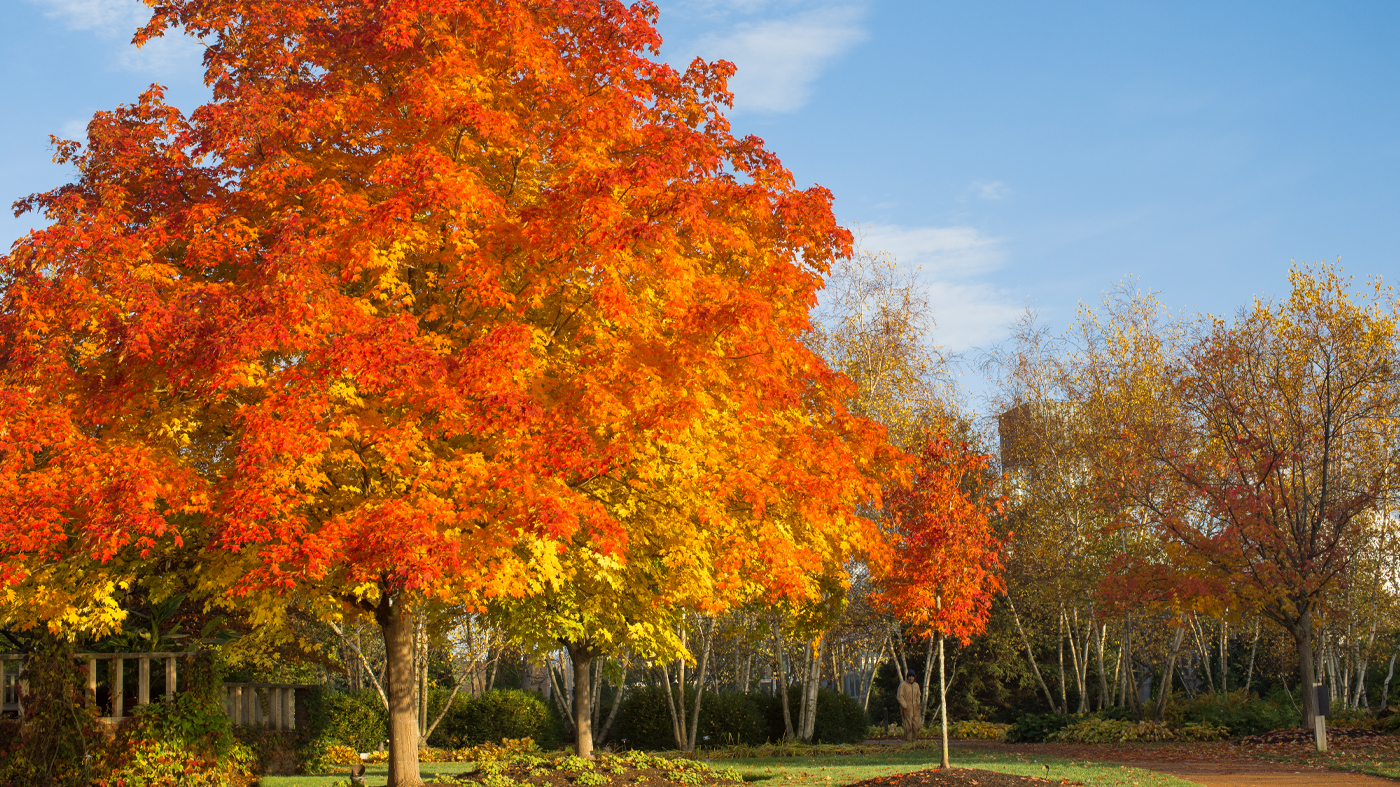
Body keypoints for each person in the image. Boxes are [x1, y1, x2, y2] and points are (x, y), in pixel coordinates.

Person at [897, 672, 922, 742]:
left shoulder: (916, 685)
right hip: (907, 708)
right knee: (908, 726)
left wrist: (918, 703)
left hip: (916, 708)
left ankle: (915, 741)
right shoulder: (903, 685)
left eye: (912, 676)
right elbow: (899, 696)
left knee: (917, 725)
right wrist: (904, 705)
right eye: (910, 676)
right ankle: (909, 742)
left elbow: (918, 695)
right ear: (907, 677)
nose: (911, 678)